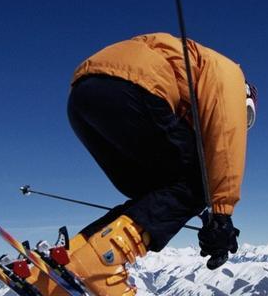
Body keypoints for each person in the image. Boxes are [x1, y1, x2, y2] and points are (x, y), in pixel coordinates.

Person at [34, 32, 256, 296]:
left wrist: (200, 210)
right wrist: (221, 215)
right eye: (246, 118)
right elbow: (225, 139)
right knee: (201, 182)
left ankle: (66, 261)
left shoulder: (194, 75)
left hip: (83, 97)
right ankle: (99, 264)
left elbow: (174, 184)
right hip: (132, 88)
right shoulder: (231, 76)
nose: (244, 124)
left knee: (156, 195)